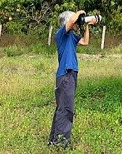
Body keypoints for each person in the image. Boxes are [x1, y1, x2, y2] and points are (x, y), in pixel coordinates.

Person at [48, 10, 95, 147]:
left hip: (71, 74)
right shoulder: (61, 34)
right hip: (65, 74)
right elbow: (70, 21)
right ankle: (61, 142)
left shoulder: (72, 37)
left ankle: (54, 140)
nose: (76, 24)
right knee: (66, 108)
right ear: (69, 22)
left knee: (62, 107)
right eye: (75, 21)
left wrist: (87, 25)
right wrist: (80, 12)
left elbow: (85, 42)